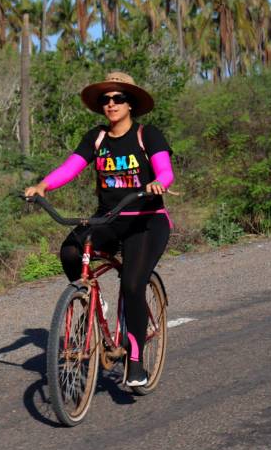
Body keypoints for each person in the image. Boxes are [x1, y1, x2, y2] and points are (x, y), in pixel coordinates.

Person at [24, 71, 175, 387]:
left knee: (133, 285)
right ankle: (92, 295)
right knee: (69, 250)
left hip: (146, 219)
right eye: (105, 99)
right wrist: (43, 186)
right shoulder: (97, 137)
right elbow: (71, 166)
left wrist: (158, 183)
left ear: (130, 103)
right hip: (109, 218)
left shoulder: (149, 135)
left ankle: (134, 362)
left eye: (118, 98)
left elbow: (165, 170)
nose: (111, 104)